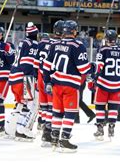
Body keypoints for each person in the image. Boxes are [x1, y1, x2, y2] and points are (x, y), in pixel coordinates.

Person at [43, 20, 90, 152]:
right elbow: (83, 69)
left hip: (56, 84)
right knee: (70, 113)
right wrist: (94, 67)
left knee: (57, 112)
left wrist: (47, 82)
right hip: (70, 85)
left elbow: (46, 66)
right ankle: (64, 140)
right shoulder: (78, 45)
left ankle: (54, 138)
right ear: (74, 31)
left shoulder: (55, 44)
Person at [90, 29, 120, 141]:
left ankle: (100, 129)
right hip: (117, 84)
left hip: (103, 83)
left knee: (100, 107)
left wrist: (93, 78)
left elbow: (99, 67)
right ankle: (111, 127)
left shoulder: (103, 49)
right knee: (113, 108)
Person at [8, 22, 39, 141]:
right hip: (24, 77)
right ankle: (20, 131)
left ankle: (10, 129)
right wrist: (32, 77)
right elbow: (27, 63)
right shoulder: (33, 44)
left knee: (19, 104)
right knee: (28, 104)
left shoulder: (23, 42)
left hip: (14, 76)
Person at [37, 27, 61, 147]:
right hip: (51, 78)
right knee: (53, 108)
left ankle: (45, 131)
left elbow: (36, 61)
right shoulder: (59, 45)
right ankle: (48, 133)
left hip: (41, 76)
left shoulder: (42, 43)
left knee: (45, 108)